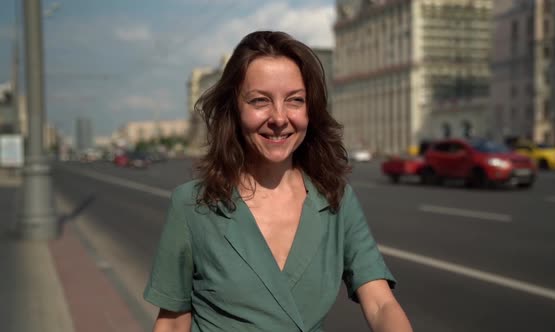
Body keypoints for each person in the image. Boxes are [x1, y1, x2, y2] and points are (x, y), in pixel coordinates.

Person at [144, 30, 413, 332]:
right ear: (234, 108)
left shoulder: (336, 199)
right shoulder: (193, 205)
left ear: (311, 109)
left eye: (295, 100)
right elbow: (173, 322)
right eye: (260, 101)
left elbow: (380, 303)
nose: (279, 118)